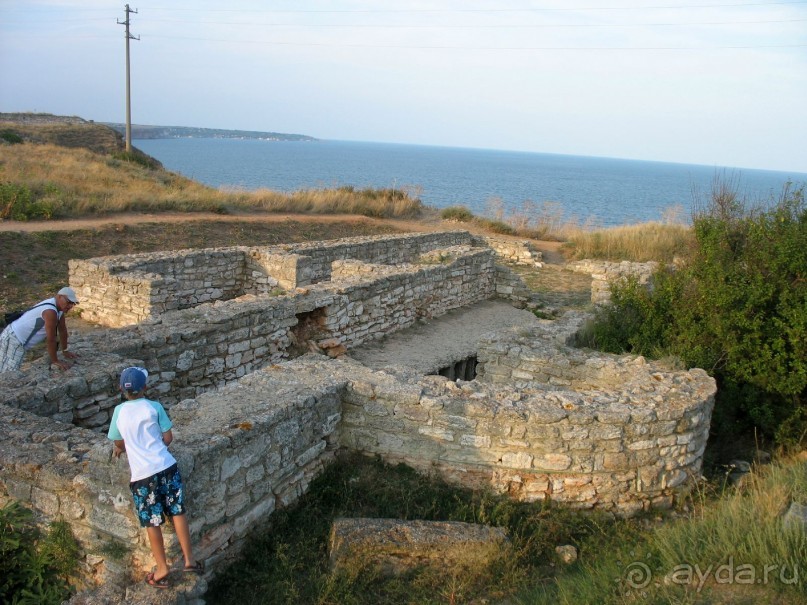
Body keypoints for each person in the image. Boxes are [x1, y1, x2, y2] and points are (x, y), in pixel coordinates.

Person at [108, 367, 204, 589]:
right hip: (166, 466)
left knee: (152, 522)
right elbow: (168, 437)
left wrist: (122, 448)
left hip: (142, 476)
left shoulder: (119, 412)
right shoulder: (154, 406)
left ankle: (162, 568)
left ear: (121, 389)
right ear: (145, 388)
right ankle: (189, 560)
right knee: (177, 511)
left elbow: (119, 442)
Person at [0, 286, 79, 372]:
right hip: (14, 339)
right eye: (68, 302)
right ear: (60, 297)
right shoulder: (50, 312)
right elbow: (51, 339)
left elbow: (62, 330)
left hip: (14, 336)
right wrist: (55, 361)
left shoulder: (59, 309)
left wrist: (65, 350)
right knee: (10, 373)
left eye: (73, 304)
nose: (70, 306)